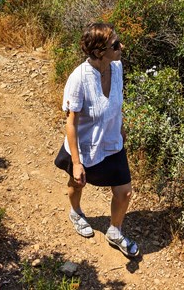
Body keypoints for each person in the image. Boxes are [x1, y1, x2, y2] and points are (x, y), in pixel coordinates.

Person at [54, 22, 139, 259]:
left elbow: (117, 102)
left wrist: (120, 128)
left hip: (112, 142)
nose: (121, 46)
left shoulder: (117, 67)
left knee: (125, 192)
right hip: (85, 146)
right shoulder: (79, 78)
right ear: (99, 52)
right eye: (115, 44)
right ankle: (76, 212)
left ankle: (114, 230)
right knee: (76, 183)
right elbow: (71, 123)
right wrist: (78, 162)